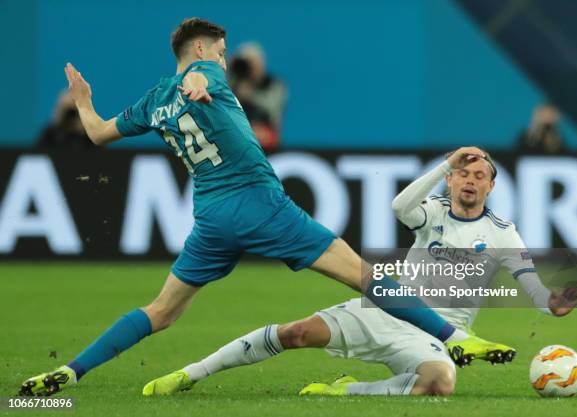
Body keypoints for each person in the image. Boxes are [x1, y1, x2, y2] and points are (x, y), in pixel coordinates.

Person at [19, 18, 509, 397]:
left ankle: (71, 370)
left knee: (162, 311)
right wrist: (199, 83)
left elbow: (99, 133)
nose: (224, 60)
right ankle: (456, 337)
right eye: (221, 52)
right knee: (368, 276)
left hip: (211, 218)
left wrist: (84, 101)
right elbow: (200, 81)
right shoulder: (203, 71)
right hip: (259, 204)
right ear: (201, 48)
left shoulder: (152, 101)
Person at [142, 149, 577, 397]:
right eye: (462, 173)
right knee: (296, 333)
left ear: (492, 186)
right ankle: (190, 374)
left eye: (479, 175)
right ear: (450, 180)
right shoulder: (433, 212)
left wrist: (553, 304)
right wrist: (444, 164)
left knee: (440, 383)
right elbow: (399, 208)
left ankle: (346, 391)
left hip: (441, 335)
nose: (469, 180)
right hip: (385, 309)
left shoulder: (504, 234)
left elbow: (535, 291)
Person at [227, 43, 287, 151]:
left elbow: (271, 110)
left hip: (266, 135)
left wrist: (249, 96)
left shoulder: (275, 84)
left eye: (253, 63)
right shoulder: (235, 83)